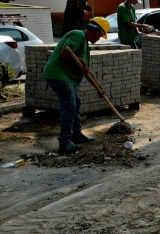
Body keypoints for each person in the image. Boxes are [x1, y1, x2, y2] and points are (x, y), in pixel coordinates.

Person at [42, 17, 110, 154]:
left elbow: (86, 71)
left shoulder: (84, 43)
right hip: (58, 74)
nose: (99, 39)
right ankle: (65, 142)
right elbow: (64, 52)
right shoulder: (78, 35)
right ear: (96, 31)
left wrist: (98, 87)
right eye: (100, 36)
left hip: (65, 77)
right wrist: (81, 61)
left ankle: (76, 135)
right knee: (69, 105)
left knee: (75, 103)